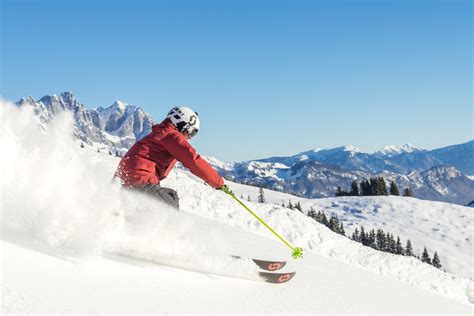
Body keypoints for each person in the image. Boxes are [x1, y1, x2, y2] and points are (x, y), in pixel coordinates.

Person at [114, 106, 225, 209]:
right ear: (183, 125)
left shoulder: (158, 134)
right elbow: (193, 160)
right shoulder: (171, 136)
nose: (189, 137)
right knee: (170, 198)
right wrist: (218, 182)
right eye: (191, 132)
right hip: (141, 180)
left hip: (125, 182)